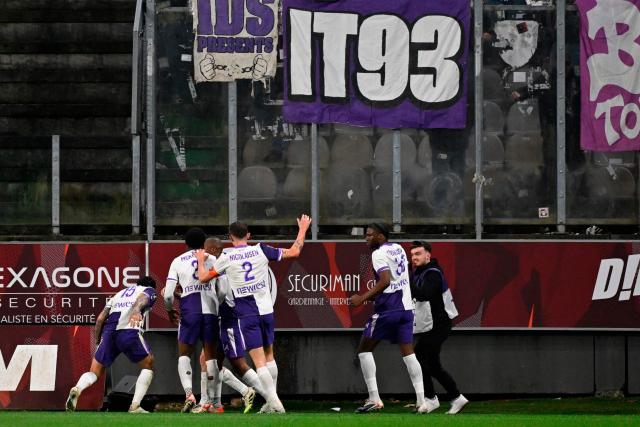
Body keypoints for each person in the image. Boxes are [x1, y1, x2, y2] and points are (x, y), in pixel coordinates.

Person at [196, 214, 312, 413]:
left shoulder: (227, 257)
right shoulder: (261, 250)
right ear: (248, 235)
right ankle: (271, 402)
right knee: (269, 355)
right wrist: (302, 229)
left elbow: (203, 278)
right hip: (266, 310)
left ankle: (275, 403)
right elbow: (294, 252)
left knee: (259, 362)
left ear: (230, 237)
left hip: (247, 312)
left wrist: (200, 260)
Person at [349, 223, 427, 414]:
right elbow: (401, 275)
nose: (366, 238)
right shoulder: (398, 247)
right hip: (406, 308)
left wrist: (362, 298)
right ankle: (422, 401)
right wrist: (380, 294)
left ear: (381, 237)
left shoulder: (377, 254)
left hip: (389, 309)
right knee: (409, 353)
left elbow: (385, 280)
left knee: (364, 350)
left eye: (370, 235)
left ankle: (374, 399)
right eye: (366, 235)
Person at [66, 276, 157, 413]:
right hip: (128, 331)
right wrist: (137, 310)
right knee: (148, 363)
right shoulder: (149, 290)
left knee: (94, 372)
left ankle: (77, 388)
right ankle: (135, 406)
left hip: (108, 334)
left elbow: (100, 319)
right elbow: (142, 298)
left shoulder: (119, 294)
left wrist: (97, 341)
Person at [163, 227, 221, 413]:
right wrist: (216, 303)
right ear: (204, 243)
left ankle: (189, 394)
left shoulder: (177, 261)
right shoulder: (213, 259)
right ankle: (208, 402)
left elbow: (168, 295)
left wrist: (170, 310)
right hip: (211, 309)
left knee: (184, 355)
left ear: (185, 244)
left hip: (190, 309)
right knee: (211, 357)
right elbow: (224, 290)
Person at [197, 237, 257, 414]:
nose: (204, 252)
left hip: (225, 316)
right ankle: (215, 404)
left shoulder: (217, 262)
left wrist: (217, 304)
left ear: (214, 250)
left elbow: (222, 290)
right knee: (212, 362)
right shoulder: (219, 261)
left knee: (233, 363)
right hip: (224, 315)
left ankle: (261, 395)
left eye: (206, 249)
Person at [409, 241, 468, 414]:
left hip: (439, 325)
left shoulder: (432, 273)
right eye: (412, 255)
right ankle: (456, 397)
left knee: (420, 356)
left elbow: (423, 295)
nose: (414, 258)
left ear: (428, 255)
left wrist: (406, 276)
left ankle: (432, 399)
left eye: (418, 254)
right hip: (432, 325)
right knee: (431, 363)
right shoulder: (420, 273)